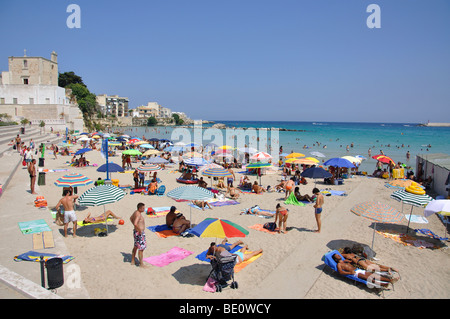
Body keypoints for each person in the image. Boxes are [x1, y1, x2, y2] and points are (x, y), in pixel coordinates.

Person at [332, 254, 397, 287]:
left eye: (338, 254)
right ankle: (383, 284)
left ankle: (390, 280)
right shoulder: (339, 264)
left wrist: (352, 260)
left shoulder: (345, 261)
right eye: (337, 256)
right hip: (354, 273)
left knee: (373, 275)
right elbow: (340, 272)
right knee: (369, 279)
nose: (338, 255)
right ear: (336, 259)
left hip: (358, 270)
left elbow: (352, 261)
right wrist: (350, 272)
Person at [130, 202, 147, 268]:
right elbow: (135, 223)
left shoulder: (135, 212)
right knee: (141, 248)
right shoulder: (138, 215)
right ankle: (141, 264)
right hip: (139, 233)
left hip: (136, 232)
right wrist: (139, 230)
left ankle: (133, 260)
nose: (144, 209)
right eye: (143, 208)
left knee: (136, 246)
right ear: (140, 208)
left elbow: (131, 218)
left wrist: (136, 228)